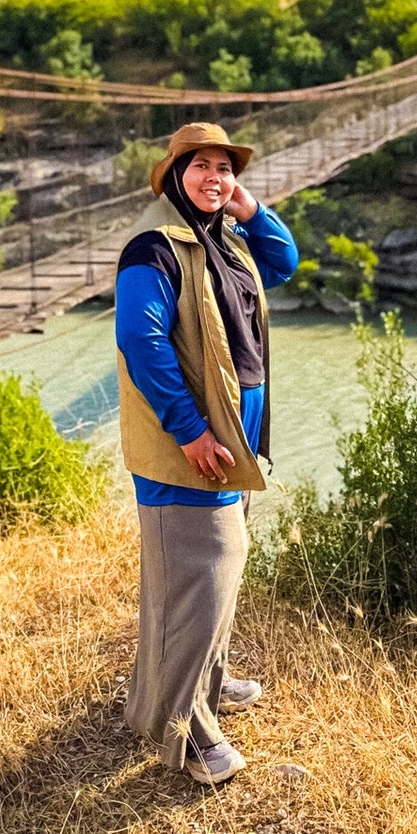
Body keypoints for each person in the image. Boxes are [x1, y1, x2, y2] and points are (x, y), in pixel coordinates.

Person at [115, 121, 299, 786]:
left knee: (213, 576)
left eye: (224, 167)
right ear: (171, 174)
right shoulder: (153, 247)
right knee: (196, 582)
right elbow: (143, 339)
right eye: (200, 166)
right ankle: (185, 735)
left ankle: (203, 685)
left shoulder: (220, 239)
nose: (214, 177)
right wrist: (189, 429)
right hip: (189, 449)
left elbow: (283, 262)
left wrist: (249, 208)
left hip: (232, 445)